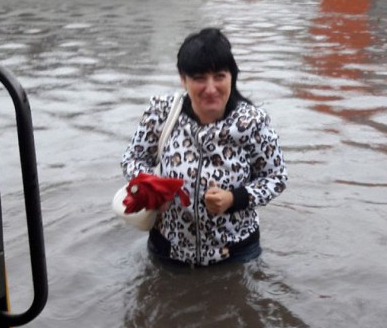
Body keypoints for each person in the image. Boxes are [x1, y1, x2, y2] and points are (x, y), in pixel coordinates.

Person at [121, 28, 288, 267]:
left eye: (219, 76)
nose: (211, 88)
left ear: (232, 76)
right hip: (169, 249)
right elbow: (132, 159)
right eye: (199, 78)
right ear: (183, 79)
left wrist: (233, 198)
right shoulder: (162, 112)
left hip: (236, 251)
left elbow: (276, 177)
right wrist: (152, 189)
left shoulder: (252, 122)